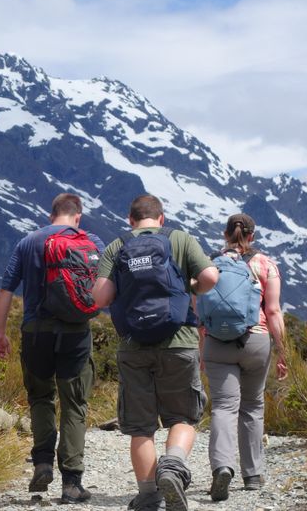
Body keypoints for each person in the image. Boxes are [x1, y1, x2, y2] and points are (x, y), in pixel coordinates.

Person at [92, 194, 219, 511]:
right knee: (183, 417)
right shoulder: (180, 238)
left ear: (130, 219)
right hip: (179, 341)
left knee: (140, 427)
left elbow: (101, 297)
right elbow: (210, 278)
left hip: (133, 346)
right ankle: (173, 465)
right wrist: (189, 286)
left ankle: (149, 496)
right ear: (161, 219)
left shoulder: (117, 246)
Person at [0, 193, 105, 504]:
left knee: (40, 397)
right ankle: (71, 483)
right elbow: (108, 285)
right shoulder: (92, 240)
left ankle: (42, 462)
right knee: (75, 405)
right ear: (77, 216)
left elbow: (5, 290)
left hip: (36, 332)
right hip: (76, 334)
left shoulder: (29, 242)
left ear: (51, 213)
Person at [200, 213, 288, 502]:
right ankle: (252, 474)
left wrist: (204, 348)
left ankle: (222, 467)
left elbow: (200, 311)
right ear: (252, 235)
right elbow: (273, 312)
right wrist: (282, 351)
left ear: (225, 234)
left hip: (217, 343)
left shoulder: (209, 264)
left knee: (224, 407)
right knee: (252, 405)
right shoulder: (266, 264)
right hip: (256, 340)